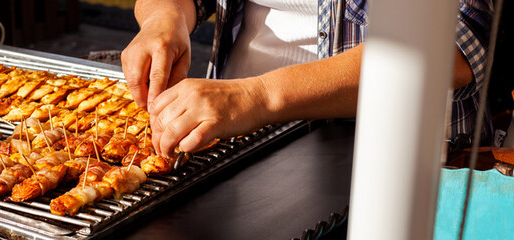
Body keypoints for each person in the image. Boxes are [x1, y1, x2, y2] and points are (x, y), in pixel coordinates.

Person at [121, 0, 493, 159]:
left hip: (390, 162)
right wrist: (162, 17)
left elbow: (454, 42)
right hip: (231, 142)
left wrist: (259, 95)